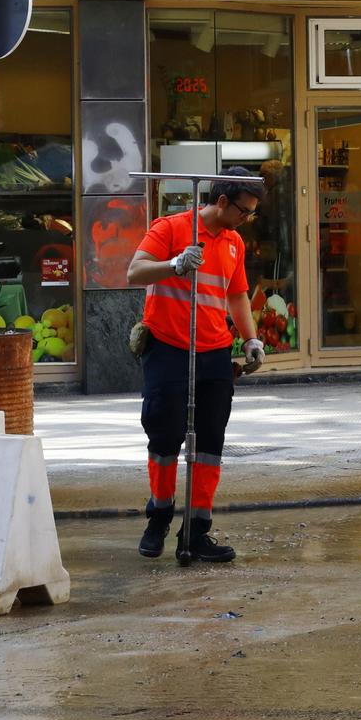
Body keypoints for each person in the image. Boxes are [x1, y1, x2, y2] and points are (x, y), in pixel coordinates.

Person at [126, 168, 265, 563]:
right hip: (168, 348)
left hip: (215, 352)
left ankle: (197, 530)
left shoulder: (234, 242)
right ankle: (159, 517)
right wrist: (175, 264)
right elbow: (135, 271)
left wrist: (250, 338)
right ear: (222, 201)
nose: (246, 219)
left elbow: (237, 296)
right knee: (164, 434)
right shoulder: (171, 228)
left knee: (209, 444)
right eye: (244, 210)